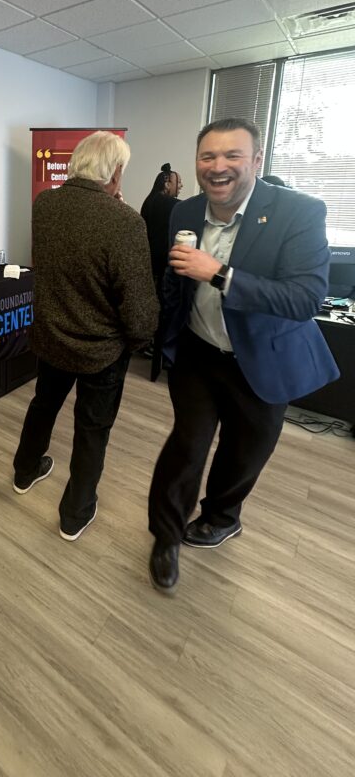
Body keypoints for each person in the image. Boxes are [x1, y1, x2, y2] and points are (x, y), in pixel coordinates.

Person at [147, 118, 339, 593]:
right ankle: (165, 537)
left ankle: (221, 516)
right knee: (186, 447)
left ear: (256, 161)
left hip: (263, 359)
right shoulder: (184, 211)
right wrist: (166, 332)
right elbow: (174, 277)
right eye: (208, 157)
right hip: (198, 352)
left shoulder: (300, 212)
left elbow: (305, 299)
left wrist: (221, 274)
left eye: (232, 155)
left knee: (244, 451)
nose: (219, 166)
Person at [11, 131, 159, 540]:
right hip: (101, 349)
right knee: (92, 427)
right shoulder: (126, 222)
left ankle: (24, 472)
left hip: (53, 336)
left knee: (44, 404)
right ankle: (75, 513)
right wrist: (139, 338)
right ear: (115, 173)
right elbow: (138, 305)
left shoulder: (45, 205)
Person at [140, 164, 183, 285]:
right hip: (163, 266)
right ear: (167, 184)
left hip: (148, 262)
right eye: (179, 182)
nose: (181, 186)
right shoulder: (173, 205)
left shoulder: (148, 202)